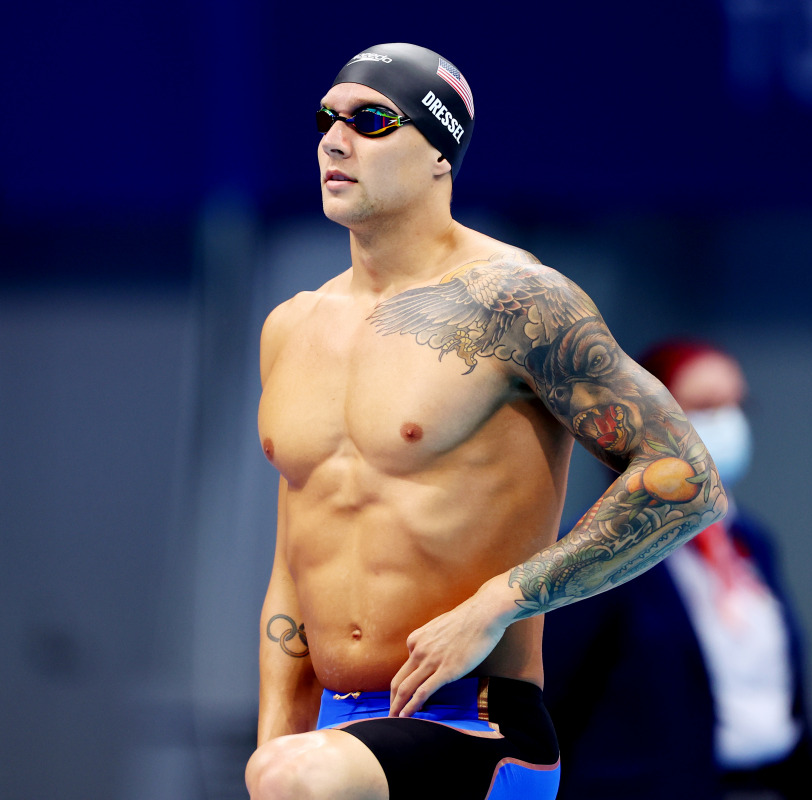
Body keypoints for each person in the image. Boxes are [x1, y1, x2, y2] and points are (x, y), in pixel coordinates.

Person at [244, 43, 727, 800]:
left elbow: (686, 479)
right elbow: (292, 564)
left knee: (295, 775)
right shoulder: (290, 327)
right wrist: (274, 739)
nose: (335, 141)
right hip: (327, 750)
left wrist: (501, 602)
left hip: (475, 725)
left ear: (441, 153)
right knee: (285, 770)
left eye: (372, 120)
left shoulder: (517, 303)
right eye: (326, 120)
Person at [543, 339, 812, 799]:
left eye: (738, 404)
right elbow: (554, 704)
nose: (729, 423)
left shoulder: (751, 542)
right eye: (707, 406)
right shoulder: (596, 549)